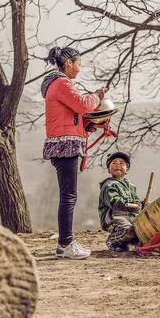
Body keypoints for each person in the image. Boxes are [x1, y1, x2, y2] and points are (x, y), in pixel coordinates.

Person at [42, 46, 108, 259]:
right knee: (68, 196)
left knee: (68, 195)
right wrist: (96, 97)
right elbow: (81, 105)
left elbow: (71, 116)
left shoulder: (59, 84)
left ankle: (65, 243)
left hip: (64, 143)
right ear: (68, 63)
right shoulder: (61, 83)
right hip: (65, 145)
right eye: (78, 64)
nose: (79, 69)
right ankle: (65, 244)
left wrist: (87, 126)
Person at [98, 152, 142, 252]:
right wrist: (131, 206)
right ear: (109, 169)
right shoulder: (109, 185)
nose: (118, 165)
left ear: (127, 169)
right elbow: (115, 202)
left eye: (122, 163)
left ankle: (125, 243)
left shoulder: (131, 186)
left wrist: (141, 204)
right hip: (115, 217)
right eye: (114, 163)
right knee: (128, 230)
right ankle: (113, 240)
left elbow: (137, 200)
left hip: (132, 217)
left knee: (143, 230)